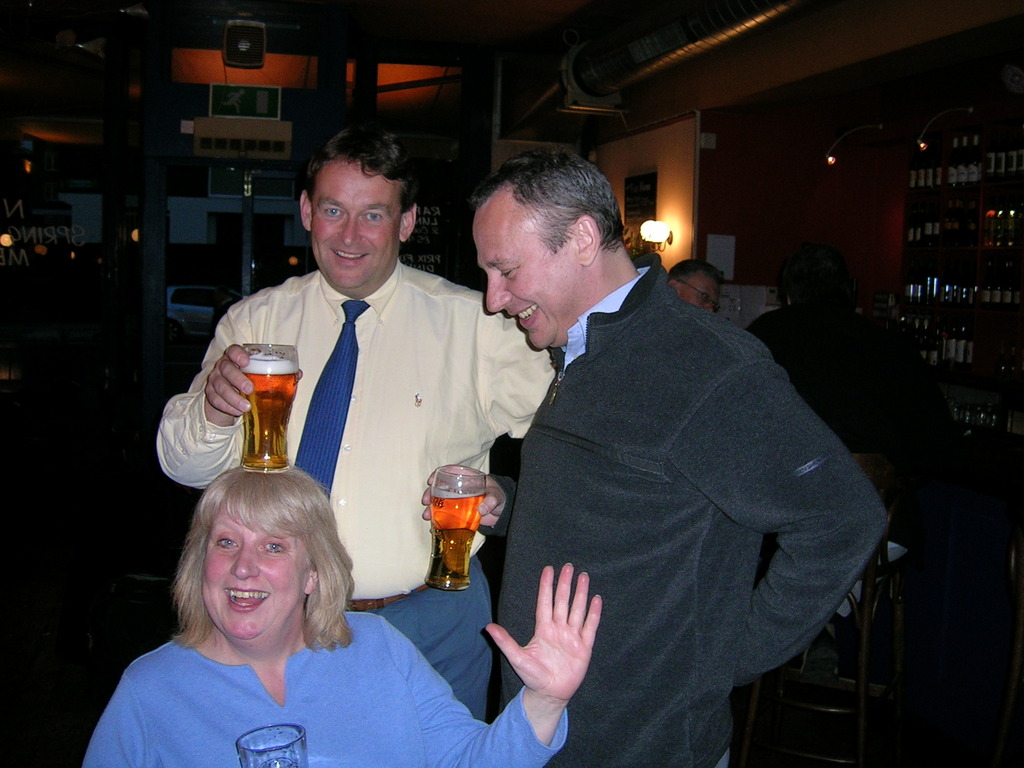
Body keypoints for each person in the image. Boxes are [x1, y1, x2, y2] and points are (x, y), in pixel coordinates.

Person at [467, 148, 887, 768]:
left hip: (640, 742)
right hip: (545, 724)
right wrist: (508, 503)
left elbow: (844, 518)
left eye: (506, 270)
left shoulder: (708, 367)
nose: (493, 298)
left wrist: (724, 657)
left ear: (581, 239)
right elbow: (621, 505)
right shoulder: (582, 347)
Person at [156, 123, 554, 719]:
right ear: (306, 212)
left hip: (430, 622)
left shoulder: (476, 325)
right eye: (333, 210)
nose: (349, 235)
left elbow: (575, 440)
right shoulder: (254, 323)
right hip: (277, 619)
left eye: (373, 215)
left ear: (407, 222)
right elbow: (183, 467)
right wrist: (213, 410)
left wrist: (507, 494)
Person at [82, 466, 601, 768]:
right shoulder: (151, 690)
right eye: (225, 543)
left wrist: (543, 702)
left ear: (313, 574)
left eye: (274, 547)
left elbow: (469, 760)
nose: (243, 567)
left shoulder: (378, 647)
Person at [746, 242, 965, 557]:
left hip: (782, 528)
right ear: (847, 291)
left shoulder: (764, 336)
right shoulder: (892, 347)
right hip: (882, 529)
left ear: (788, 295)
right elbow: (942, 450)